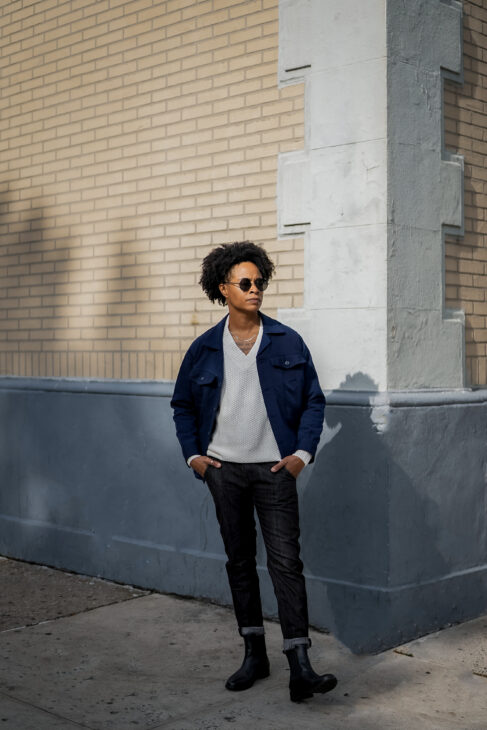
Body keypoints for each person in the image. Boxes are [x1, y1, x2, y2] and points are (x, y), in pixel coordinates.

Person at [171, 241, 337, 703]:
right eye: (244, 283)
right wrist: (195, 458)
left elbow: (313, 401)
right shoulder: (204, 348)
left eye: (259, 281)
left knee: (286, 563)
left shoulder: (286, 340)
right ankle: (253, 655)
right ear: (223, 288)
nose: (255, 290)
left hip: (274, 471)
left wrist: (302, 454)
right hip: (224, 471)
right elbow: (183, 406)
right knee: (240, 563)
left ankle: (300, 665)